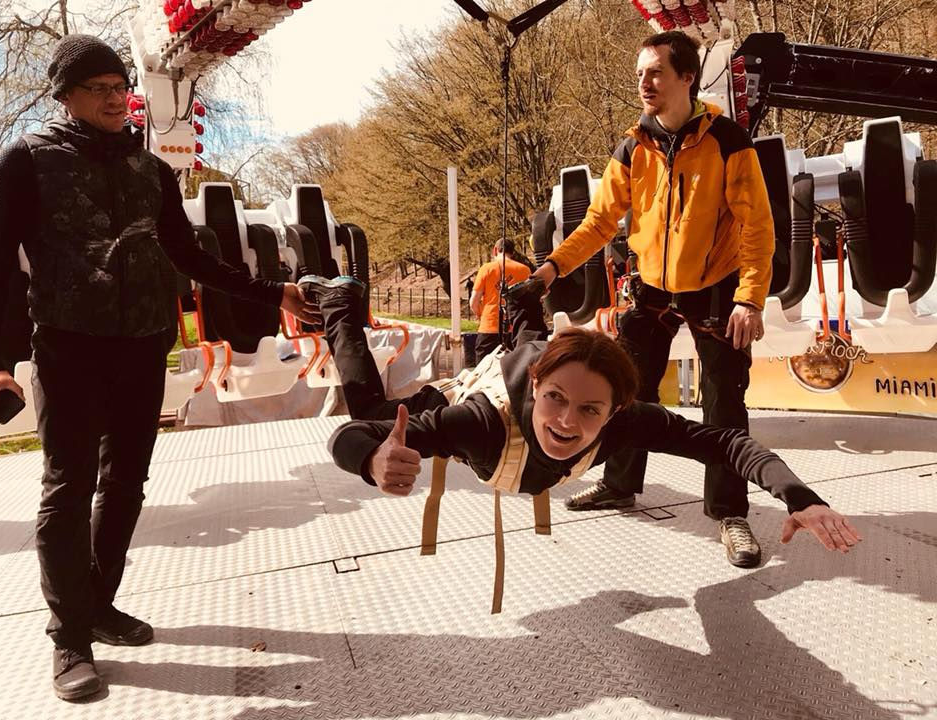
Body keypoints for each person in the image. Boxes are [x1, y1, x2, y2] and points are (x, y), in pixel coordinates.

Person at [0, 35, 319, 701]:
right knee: (67, 488)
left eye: (118, 85)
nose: (114, 97)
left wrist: (270, 292)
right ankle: (68, 637)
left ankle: (97, 605)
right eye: (99, 87)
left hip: (142, 345)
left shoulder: (148, 169)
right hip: (68, 346)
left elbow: (189, 257)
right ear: (66, 96)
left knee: (127, 484)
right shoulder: (28, 159)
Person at [301, 275, 860, 568]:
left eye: (589, 410)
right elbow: (349, 435)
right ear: (541, 390)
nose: (567, 423)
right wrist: (371, 458)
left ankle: (522, 303)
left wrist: (799, 496)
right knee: (375, 411)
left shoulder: (626, 422)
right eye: (557, 401)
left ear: (615, 411)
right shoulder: (478, 424)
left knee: (531, 341)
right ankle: (339, 306)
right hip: (503, 380)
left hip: (538, 359)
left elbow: (727, 443)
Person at [530, 31, 776, 569]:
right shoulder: (632, 146)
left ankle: (730, 513)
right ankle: (620, 484)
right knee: (623, 392)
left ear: (687, 77)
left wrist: (750, 299)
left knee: (723, 401)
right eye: (640, 73)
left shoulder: (729, 141)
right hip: (653, 287)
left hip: (717, 288)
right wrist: (550, 270)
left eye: (656, 72)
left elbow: (757, 225)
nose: (644, 83)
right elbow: (599, 223)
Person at [470, 239, 532, 363]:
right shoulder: (525, 270)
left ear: (495, 250)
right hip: (515, 327)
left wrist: (480, 315)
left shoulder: (486, 268)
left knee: (483, 369)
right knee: (512, 369)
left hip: (489, 325)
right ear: (512, 252)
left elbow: (474, 301)